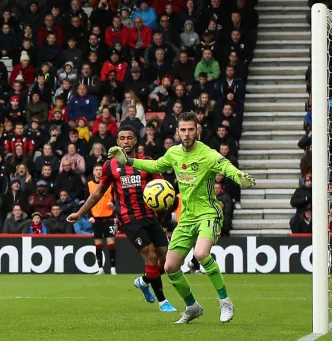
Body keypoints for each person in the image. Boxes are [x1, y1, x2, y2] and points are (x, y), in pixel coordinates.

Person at [108, 111, 256, 324]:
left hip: (208, 213)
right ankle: (192, 307)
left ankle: (225, 301)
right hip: (186, 217)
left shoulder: (208, 154)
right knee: (170, 267)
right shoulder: (174, 153)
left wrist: (238, 176)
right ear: (177, 132)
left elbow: (226, 166)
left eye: (190, 130)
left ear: (198, 130)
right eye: (183, 130)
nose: (187, 134)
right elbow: (157, 165)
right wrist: (129, 160)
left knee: (201, 253)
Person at [69, 126, 176, 313]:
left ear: (136, 141)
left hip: (150, 216)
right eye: (122, 138)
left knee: (164, 262)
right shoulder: (110, 165)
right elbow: (98, 193)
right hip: (130, 219)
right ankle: (162, 301)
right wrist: (80, 212)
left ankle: (143, 282)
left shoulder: (147, 162)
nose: (126, 142)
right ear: (117, 142)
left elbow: (161, 186)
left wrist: (166, 202)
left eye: (129, 138)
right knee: (150, 255)